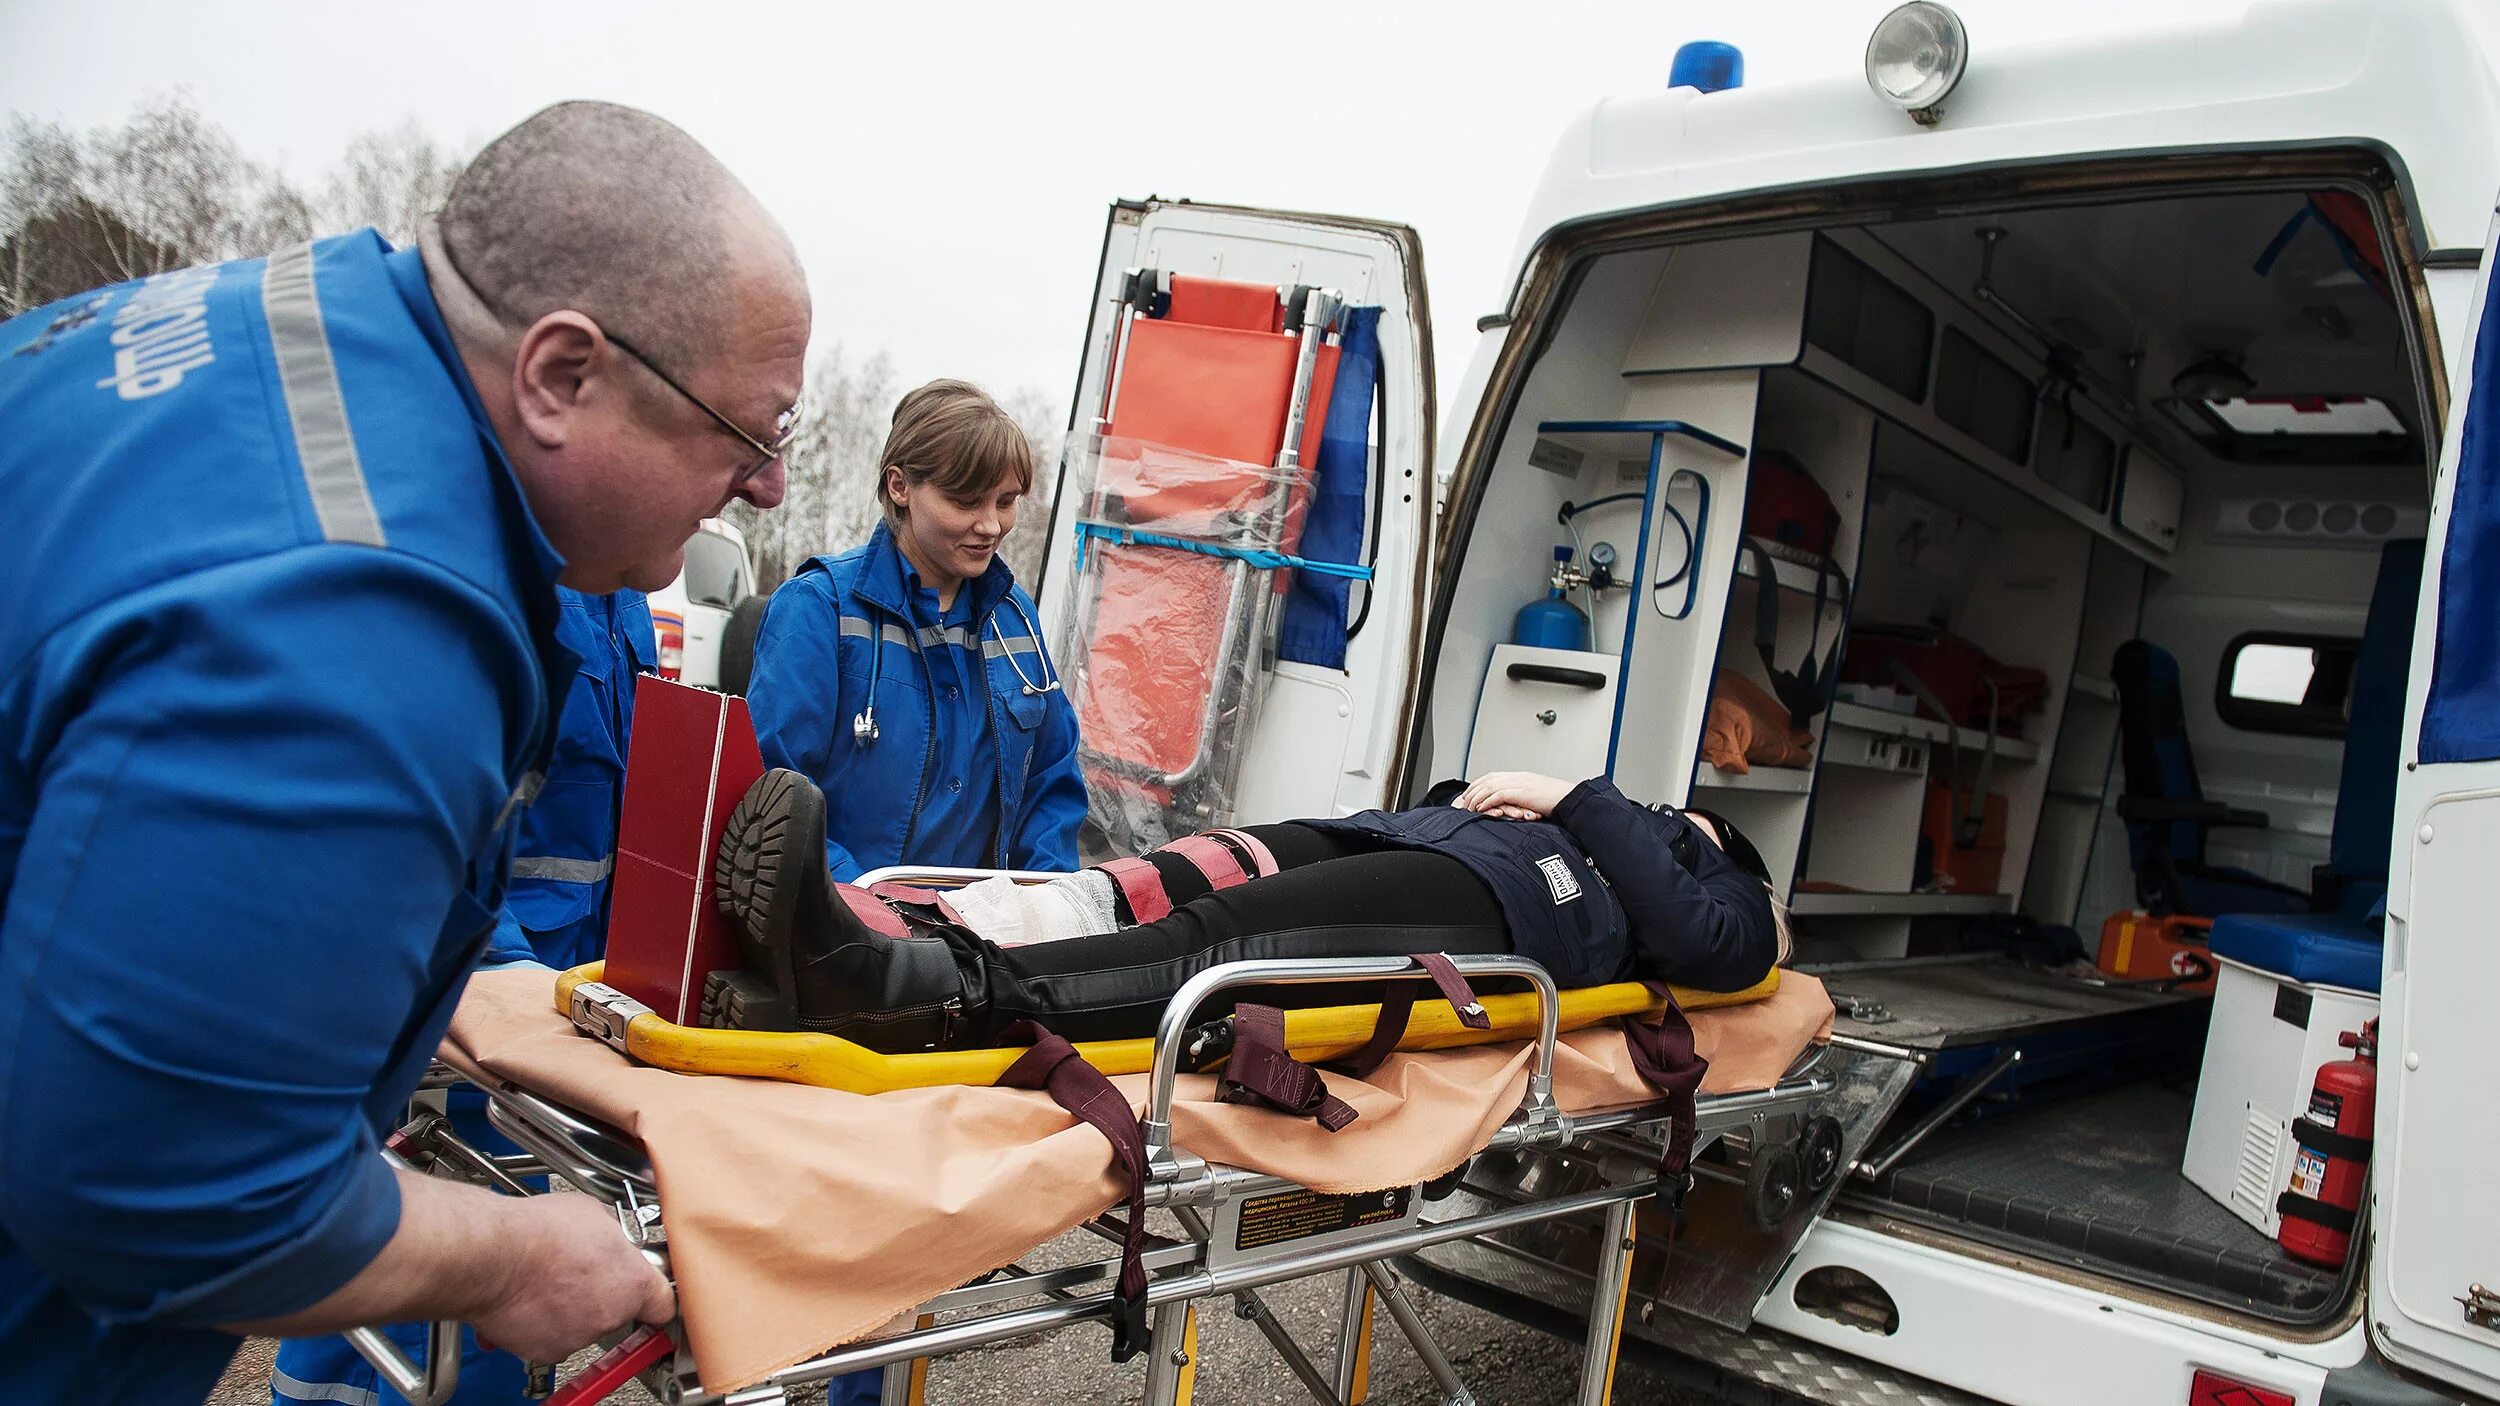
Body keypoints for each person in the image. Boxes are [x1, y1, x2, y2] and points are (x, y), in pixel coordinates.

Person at [0, 100, 807, 1403]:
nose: (769, 487)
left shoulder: (274, 327)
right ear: (558, 374)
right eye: (751, 431)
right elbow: (160, 1189)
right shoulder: (360, 622)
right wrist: (509, 1257)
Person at [270, 584, 655, 1406]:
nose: (763, 489)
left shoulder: (620, 596)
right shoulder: (492, 585)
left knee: (494, 1276)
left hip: (555, 1000)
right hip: (467, 996)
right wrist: (500, 974)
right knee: (419, 1264)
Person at [710, 767, 1786, 1051]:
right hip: (1414, 843)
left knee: (1199, 956)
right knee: (1163, 890)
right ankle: (844, 967)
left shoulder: (1720, 874)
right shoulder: (1620, 826)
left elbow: (1720, 951)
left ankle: (886, 992)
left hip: (1499, 908)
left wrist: (1578, 798)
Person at [747, 380, 1086, 883]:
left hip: (973, 946)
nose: (991, 525)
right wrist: (869, 913)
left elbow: (1050, 781)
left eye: (1006, 501)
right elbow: (772, 796)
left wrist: (1047, 904)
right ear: (900, 486)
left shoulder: (1016, 619)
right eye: (967, 500)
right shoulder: (818, 608)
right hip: (845, 939)